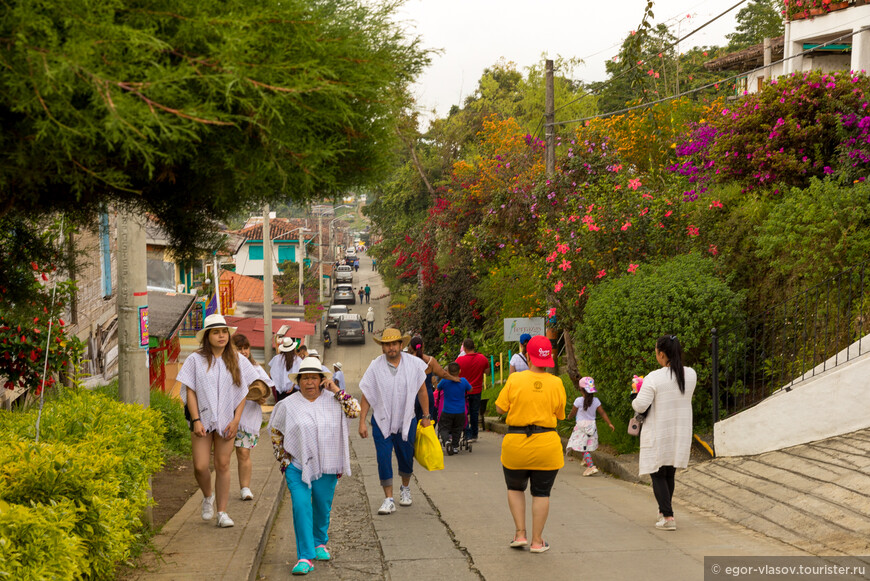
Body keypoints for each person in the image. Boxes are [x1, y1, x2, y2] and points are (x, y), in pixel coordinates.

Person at [268, 357, 361, 576]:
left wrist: (336, 390)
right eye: (305, 378)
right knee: (301, 506)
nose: (309, 382)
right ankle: (305, 556)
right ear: (298, 380)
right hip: (297, 465)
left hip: (328, 464)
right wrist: (284, 462)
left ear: (321, 380)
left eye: (314, 377)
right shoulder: (287, 405)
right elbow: (275, 432)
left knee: (322, 506)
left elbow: (354, 411)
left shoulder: (334, 399)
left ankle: (319, 542)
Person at [177, 314, 260, 528]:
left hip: (227, 420)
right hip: (202, 419)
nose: (221, 336)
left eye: (224, 332)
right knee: (200, 466)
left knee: (222, 464)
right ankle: (207, 496)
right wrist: (196, 419)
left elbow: (243, 391)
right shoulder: (196, 360)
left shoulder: (237, 359)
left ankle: (222, 512)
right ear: (207, 336)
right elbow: (190, 390)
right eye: (216, 332)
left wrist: (236, 420)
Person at [495, 335, 566, 553]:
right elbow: (560, 414)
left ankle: (520, 534)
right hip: (547, 446)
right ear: (550, 358)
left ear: (527, 355)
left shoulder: (515, 380)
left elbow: (499, 409)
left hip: (516, 445)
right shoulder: (556, 383)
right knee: (541, 492)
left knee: (515, 488)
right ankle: (537, 541)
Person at [358, 328, 431, 515]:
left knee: (406, 457)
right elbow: (367, 394)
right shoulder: (375, 366)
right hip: (382, 421)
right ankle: (388, 498)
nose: (391, 347)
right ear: (382, 347)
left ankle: (405, 488)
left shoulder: (414, 364)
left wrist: (426, 416)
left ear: (401, 345)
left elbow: (422, 390)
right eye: (387, 344)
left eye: (394, 343)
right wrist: (362, 422)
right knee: (383, 458)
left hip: (407, 419)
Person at [632, 335, 696, 531]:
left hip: (659, 431)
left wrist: (636, 391)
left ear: (661, 354)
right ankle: (663, 511)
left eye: (656, 351)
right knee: (669, 473)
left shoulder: (654, 377)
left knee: (658, 473)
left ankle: (668, 517)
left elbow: (640, 405)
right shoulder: (690, 374)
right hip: (679, 431)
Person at [231, 333, 274, 500]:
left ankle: (245, 488)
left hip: (246, 418)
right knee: (222, 458)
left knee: (243, 452)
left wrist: (260, 397)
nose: (243, 352)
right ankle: (217, 489)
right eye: (239, 348)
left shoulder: (255, 369)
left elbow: (265, 388)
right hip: (225, 418)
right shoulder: (225, 367)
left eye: (246, 348)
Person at [566, 377, 614, 477]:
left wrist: (569, 417)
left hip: (581, 426)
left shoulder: (578, 401)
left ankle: (591, 467)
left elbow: (573, 412)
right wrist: (609, 423)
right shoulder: (596, 401)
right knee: (586, 444)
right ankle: (585, 459)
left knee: (582, 447)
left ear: (581, 389)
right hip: (591, 426)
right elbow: (602, 413)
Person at [408, 334, 460, 423]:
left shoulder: (407, 361)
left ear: (411, 347)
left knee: (412, 425)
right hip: (428, 396)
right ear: (423, 345)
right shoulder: (430, 361)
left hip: (411, 397)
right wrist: (454, 378)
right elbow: (442, 373)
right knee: (427, 424)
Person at [456, 338, 489, 442]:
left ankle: (467, 433)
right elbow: (487, 372)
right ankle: (474, 434)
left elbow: (455, 374)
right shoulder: (482, 359)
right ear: (474, 347)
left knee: (464, 413)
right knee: (475, 413)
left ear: (464, 348)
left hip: (463, 391)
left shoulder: (459, 361)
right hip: (477, 390)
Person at [436, 362, 472, 455]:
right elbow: (470, 389)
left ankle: (447, 441)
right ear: (460, 371)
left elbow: (438, 388)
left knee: (443, 428)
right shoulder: (463, 381)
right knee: (457, 429)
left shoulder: (444, 381)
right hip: (460, 411)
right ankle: (455, 447)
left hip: (447, 410)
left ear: (447, 371)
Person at [269, 337, 301, 402]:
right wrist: (292, 386)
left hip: (279, 391)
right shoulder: (298, 360)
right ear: (293, 348)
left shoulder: (276, 358)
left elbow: (272, 374)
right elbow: (299, 375)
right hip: (294, 391)